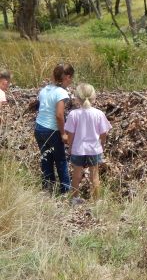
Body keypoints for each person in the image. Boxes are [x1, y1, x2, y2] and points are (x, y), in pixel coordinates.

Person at [64, 83, 111, 202]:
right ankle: (96, 200)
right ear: (93, 97)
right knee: (94, 175)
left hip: (78, 148)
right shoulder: (99, 114)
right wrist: (102, 144)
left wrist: (70, 146)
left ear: (77, 98)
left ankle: (75, 198)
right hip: (94, 148)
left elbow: (71, 134)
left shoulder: (73, 114)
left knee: (77, 174)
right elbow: (104, 133)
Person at [34, 63, 74, 194]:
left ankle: (48, 189)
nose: (71, 81)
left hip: (39, 128)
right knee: (61, 160)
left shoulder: (45, 89)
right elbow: (59, 115)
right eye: (71, 78)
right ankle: (65, 192)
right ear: (67, 77)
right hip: (52, 130)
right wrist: (63, 133)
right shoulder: (61, 92)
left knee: (46, 159)